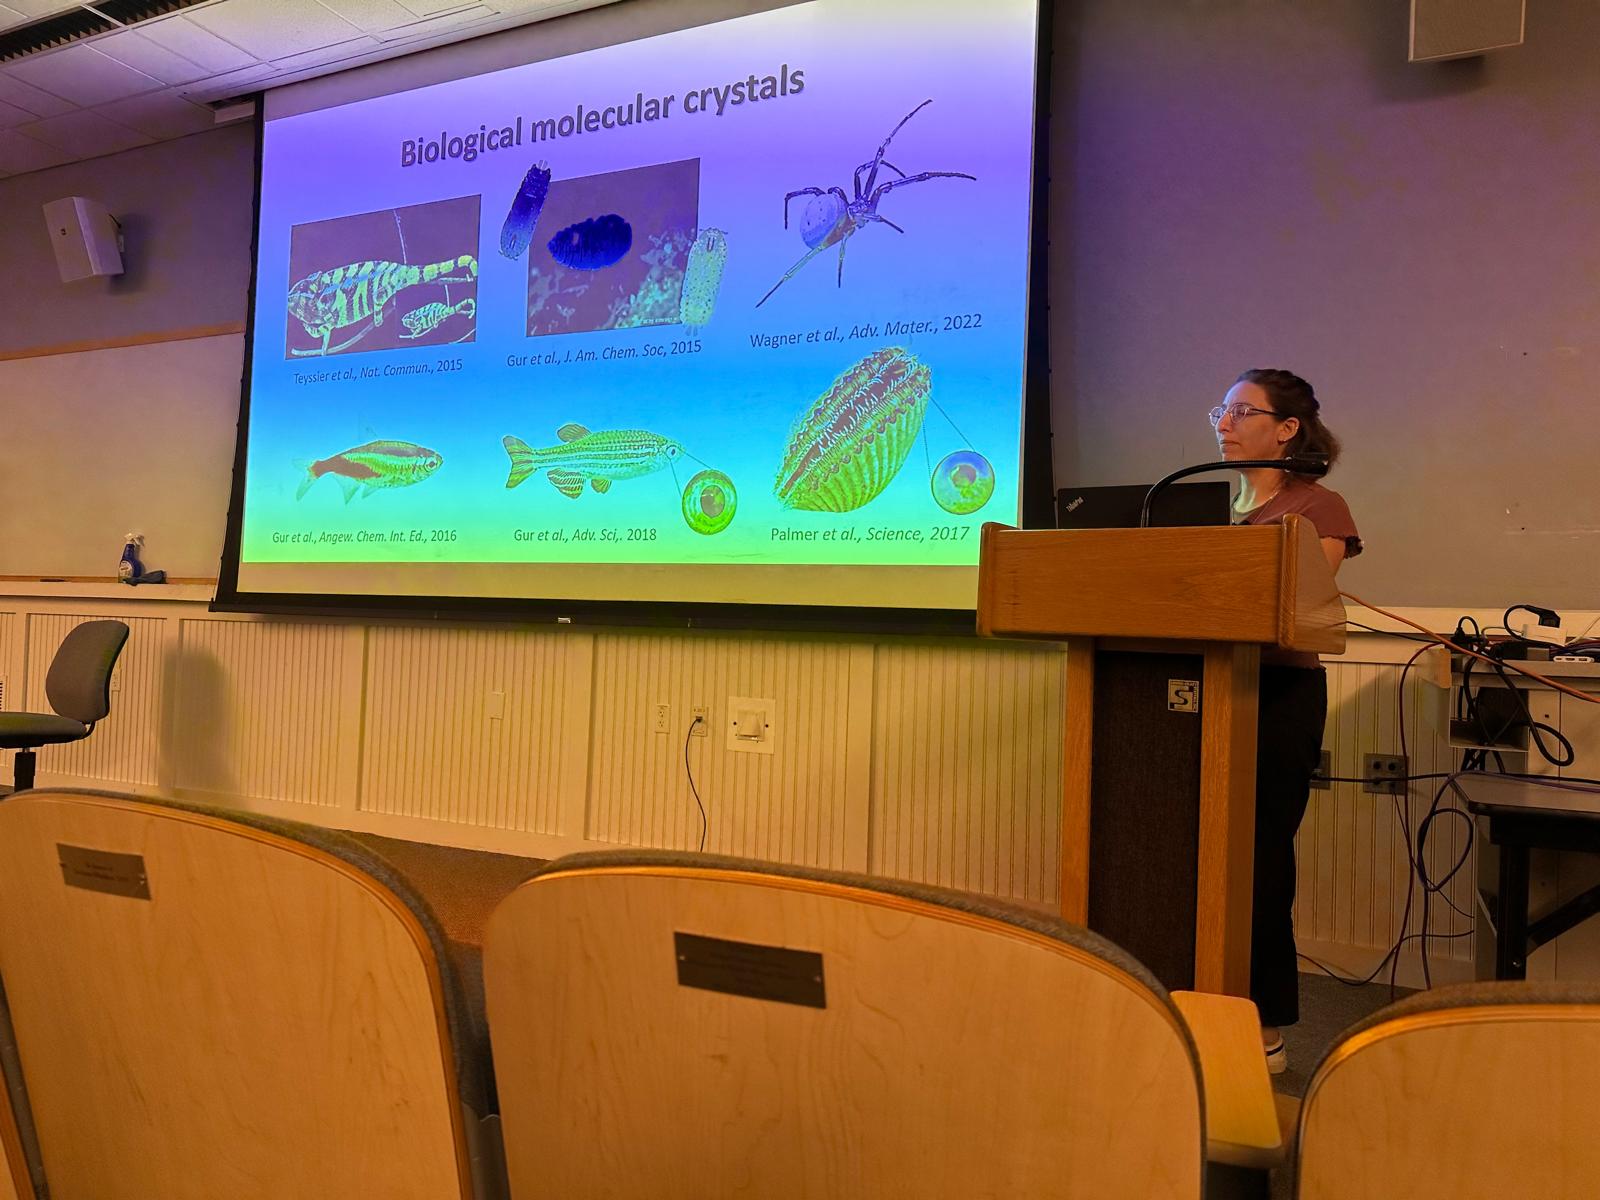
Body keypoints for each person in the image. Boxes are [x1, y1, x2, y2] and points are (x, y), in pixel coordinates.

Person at [1211, 368, 1362, 1075]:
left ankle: (1263, 1023)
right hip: (1209, 689)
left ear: (1287, 428)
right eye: (1221, 411)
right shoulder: (1216, 513)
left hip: (1276, 697)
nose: (1224, 423)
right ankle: (1199, 1000)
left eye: (1242, 411)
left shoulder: (1316, 507)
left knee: (1258, 859)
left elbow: (1296, 608)